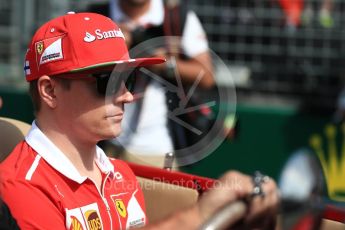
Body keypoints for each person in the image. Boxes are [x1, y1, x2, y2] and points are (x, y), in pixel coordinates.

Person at [0, 12, 278, 229]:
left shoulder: (122, 175)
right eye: (107, 81)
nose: (126, 96)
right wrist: (199, 216)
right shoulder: (19, 186)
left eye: (128, 79)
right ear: (50, 91)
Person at [88, 0, 215, 166]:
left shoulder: (176, 18)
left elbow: (206, 77)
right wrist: (113, 49)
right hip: (103, 147)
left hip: (159, 148)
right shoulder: (94, 17)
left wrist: (156, 59)